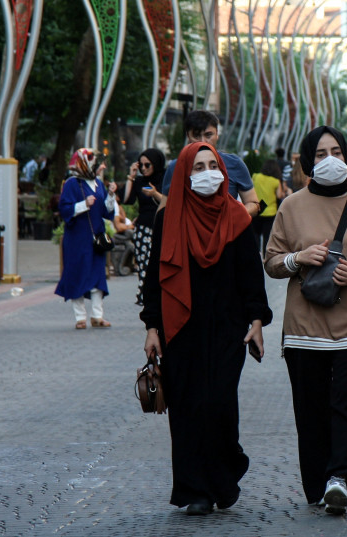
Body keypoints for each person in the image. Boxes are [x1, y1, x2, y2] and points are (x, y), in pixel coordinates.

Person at [264, 125, 347, 515]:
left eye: (337, 151)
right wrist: (298, 258)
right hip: (304, 329)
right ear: (307, 161)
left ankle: (340, 477)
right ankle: (319, 483)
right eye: (321, 154)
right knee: (312, 410)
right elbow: (271, 262)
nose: (330, 159)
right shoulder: (291, 206)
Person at [141, 142, 272, 515]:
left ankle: (224, 470)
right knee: (186, 407)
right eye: (197, 167)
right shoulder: (168, 218)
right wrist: (151, 327)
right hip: (179, 328)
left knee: (218, 404)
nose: (206, 173)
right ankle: (195, 490)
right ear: (184, 174)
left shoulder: (236, 216)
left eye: (212, 165)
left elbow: (250, 274)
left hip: (227, 329)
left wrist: (258, 320)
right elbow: (154, 277)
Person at [54, 148, 118, 329]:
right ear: (85, 164)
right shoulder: (72, 184)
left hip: (96, 239)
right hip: (76, 239)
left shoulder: (98, 183)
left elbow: (107, 212)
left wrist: (111, 196)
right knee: (77, 274)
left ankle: (97, 316)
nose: (102, 166)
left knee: (97, 276)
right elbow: (65, 209)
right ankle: (80, 317)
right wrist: (84, 204)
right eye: (98, 164)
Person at [161, 110, 261, 216]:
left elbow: (253, 203)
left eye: (208, 135)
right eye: (196, 136)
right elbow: (165, 207)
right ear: (188, 136)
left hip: (228, 231)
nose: (203, 141)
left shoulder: (234, 164)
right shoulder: (176, 167)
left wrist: (231, 217)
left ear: (217, 134)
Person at [122, 148, 166, 305]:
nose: (144, 168)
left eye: (147, 165)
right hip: (142, 228)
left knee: (161, 264)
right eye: (141, 165)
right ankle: (146, 297)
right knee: (144, 264)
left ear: (156, 164)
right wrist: (131, 177)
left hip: (162, 228)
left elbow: (169, 202)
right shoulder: (140, 181)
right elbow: (127, 200)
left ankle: (162, 296)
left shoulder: (165, 178)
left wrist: (154, 193)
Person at [250, 159, 288, 253]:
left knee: (255, 234)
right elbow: (280, 195)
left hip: (257, 210)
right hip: (270, 212)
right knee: (267, 236)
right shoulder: (275, 181)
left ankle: (256, 254)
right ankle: (265, 257)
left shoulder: (255, 176)